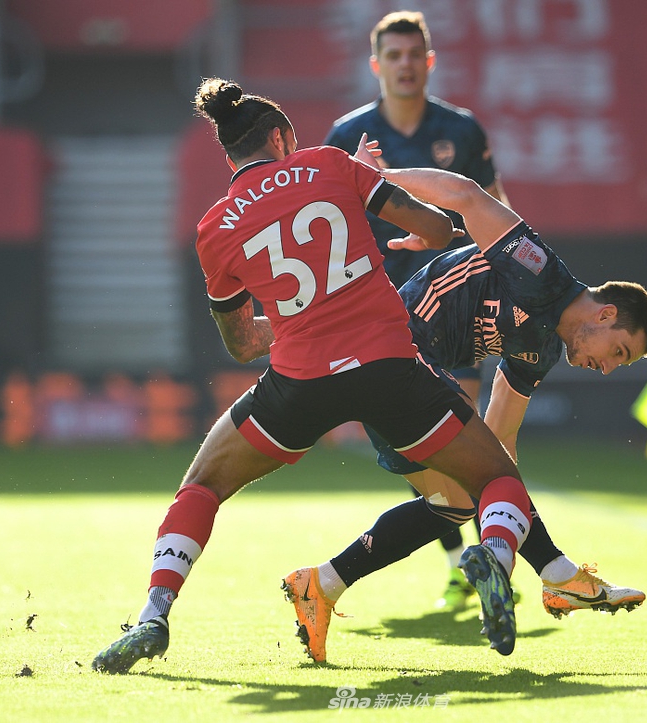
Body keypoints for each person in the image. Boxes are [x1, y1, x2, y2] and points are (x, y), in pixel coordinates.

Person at [91, 78, 535, 673]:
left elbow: (244, 343)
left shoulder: (215, 227)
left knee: (201, 486)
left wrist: (299, 318)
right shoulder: (329, 165)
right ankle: (496, 558)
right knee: (496, 478)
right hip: (389, 367)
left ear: (229, 157)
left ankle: (153, 614)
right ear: (280, 138)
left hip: (298, 382)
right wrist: (405, 227)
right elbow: (435, 229)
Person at [282, 137, 647, 663]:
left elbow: (499, 444)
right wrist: (371, 179)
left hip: (401, 371)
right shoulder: (539, 268)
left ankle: (320, 584)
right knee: (471, 490)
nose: (609, 367)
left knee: (459, 499)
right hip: (392, 348)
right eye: (618, 351)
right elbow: (464, 193)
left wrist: (504, 511)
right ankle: (552, 573)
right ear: (603, 314)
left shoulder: (546, 344)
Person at [324, 9, 510, 609]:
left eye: (414, 55)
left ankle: (489, 560)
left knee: (478, 437)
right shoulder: (347, 135)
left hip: (460, 304)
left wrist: (509, 271)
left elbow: (493, 204)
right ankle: (464, 554)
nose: (405, 65)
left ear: (429, 62)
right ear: (376, 65)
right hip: (385, 320)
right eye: (393, 56)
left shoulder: (463, 129)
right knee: (420, 449)